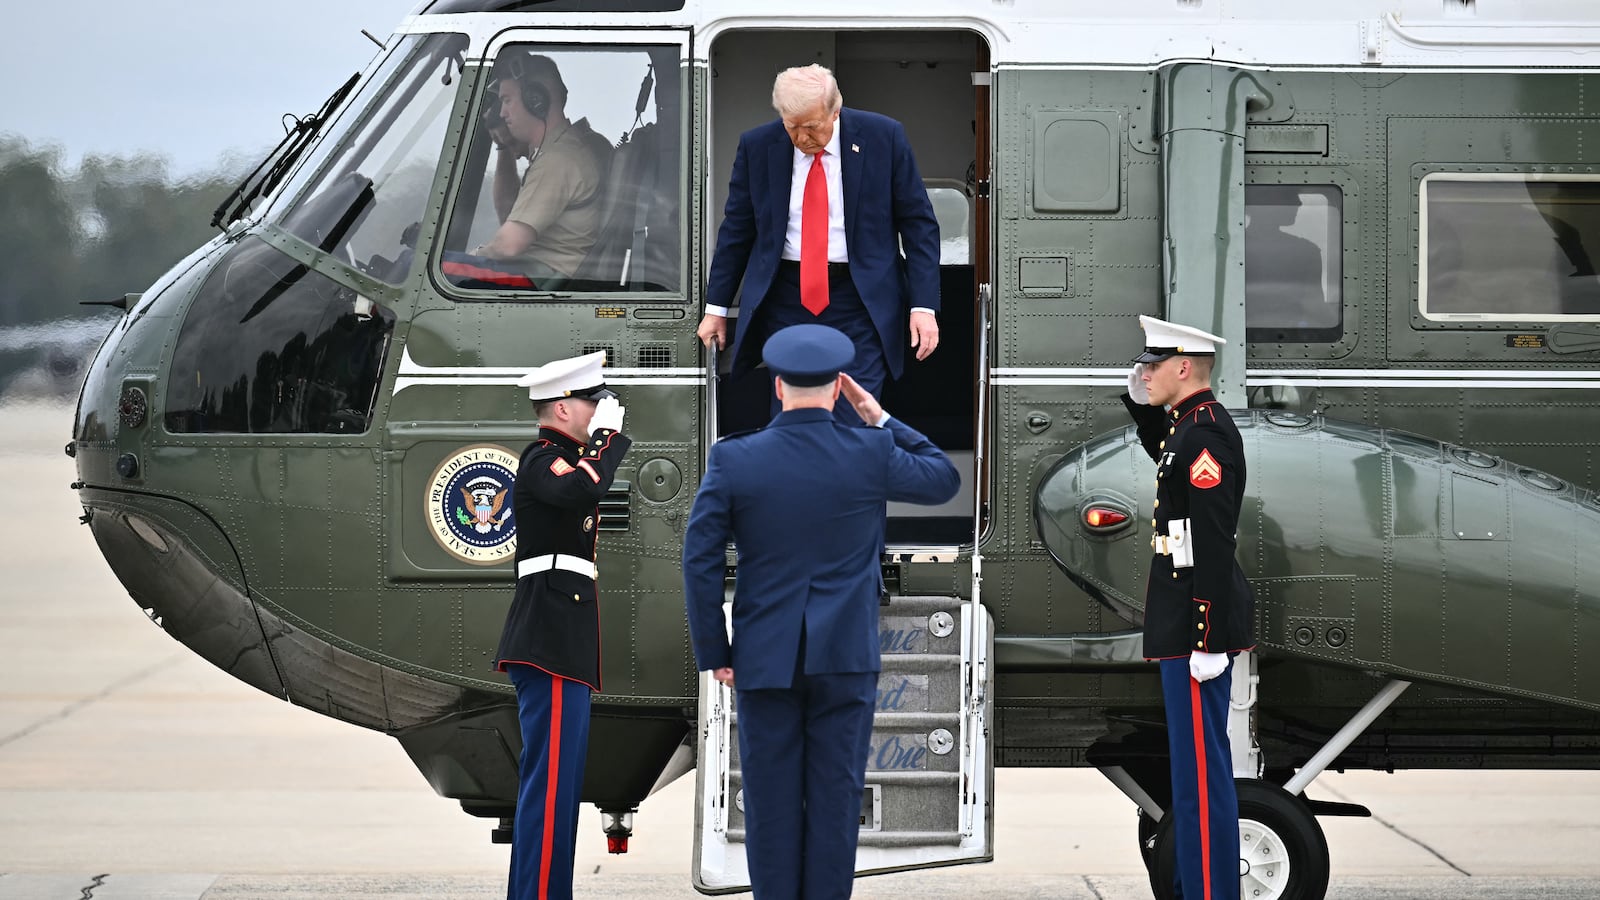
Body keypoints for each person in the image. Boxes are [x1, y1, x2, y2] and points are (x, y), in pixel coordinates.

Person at [682, 324, 960, 899]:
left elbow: (700, 560)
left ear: (778, 387)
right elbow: (943, 478)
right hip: (844, 656)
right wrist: (879, 416)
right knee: (835, 804)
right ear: (838, 387)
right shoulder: (871, 451)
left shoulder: (734, 459)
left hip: (763, 656)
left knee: (770, 805)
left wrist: (717, 652)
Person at [697, 63, 941, 417]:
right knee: (792, 415)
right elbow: (737, 229)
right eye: (792, 127)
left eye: (812, 127)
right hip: (786, 298)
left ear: (835, 110)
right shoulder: (758, 145)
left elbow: (919, 225)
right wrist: (716, 308)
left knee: (856, 413)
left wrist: (923, 306)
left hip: (860, 300)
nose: (801, 139)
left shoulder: (883, 137)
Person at [1121, 315, 1255, 900]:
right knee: (1190, 776)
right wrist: (1139, 394)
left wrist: (1205, 639)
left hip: (1196, 633)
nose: (1143, 374)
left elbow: (1212, 543)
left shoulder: (1205, 438)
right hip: (1182, 628)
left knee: (1203, 780)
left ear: (1181, 368)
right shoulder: (1186, 429)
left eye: (1152, 366)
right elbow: (1162, 445)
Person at [493, 350, 630, 900]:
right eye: (589, 403)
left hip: (560, 642)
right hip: (548, 640)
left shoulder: (565, 459)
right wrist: (608, 442)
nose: (597, 412)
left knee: (555, 787)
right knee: (550, 791)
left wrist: (598, 445)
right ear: (561, 408)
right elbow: (580, 490)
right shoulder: (541, 457)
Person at [474, 51, 613, 282]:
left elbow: (508, 245)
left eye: (507, 100)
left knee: (428, 268)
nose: (502, 112)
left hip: (539, 278)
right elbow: (512, 218)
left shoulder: (558, 160)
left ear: (535, 100)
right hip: (541, 275)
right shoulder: (565, 150)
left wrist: (472, 256)